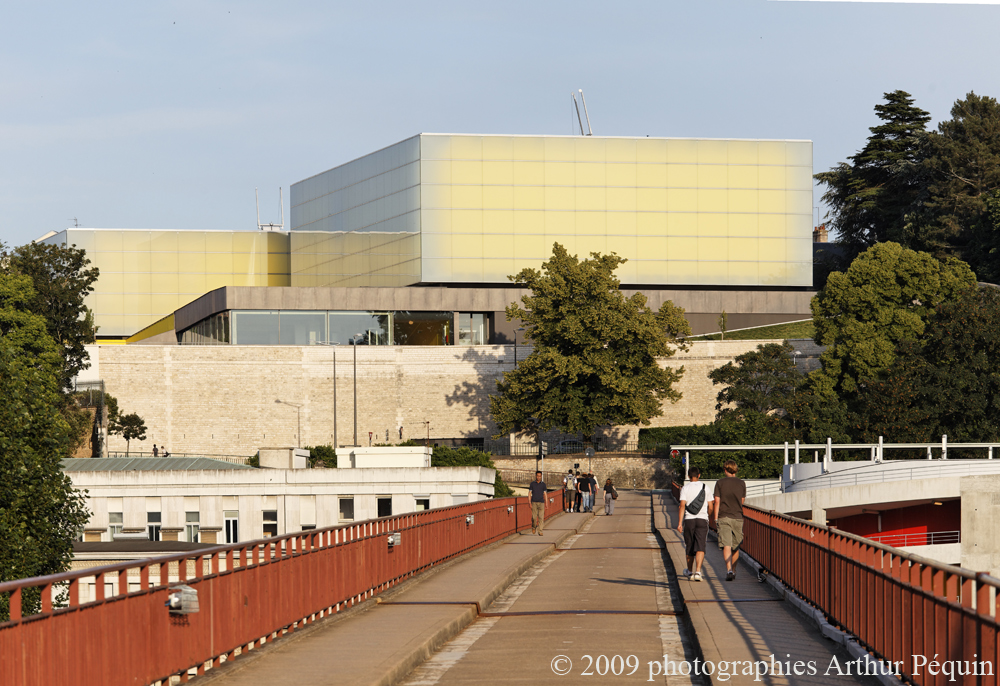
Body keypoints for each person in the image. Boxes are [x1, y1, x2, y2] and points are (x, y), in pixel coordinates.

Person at [713, 459, 747, 581]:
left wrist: (715, 518)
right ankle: (734, 569)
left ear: (725, 469)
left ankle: (729, 570)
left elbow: (717, 501)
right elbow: (742, 501)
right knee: (735, 546)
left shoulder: (720, 483)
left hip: (723, 516)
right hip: (737, 517)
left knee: (726, 544)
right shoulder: (742, 483)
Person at [677, 466, 712, 581]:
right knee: (700, 546)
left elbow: (682, 506)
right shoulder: (706, 488)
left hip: (689, 520)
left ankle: (689, 571)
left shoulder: (685, 488)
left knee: (690, 546)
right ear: (699, 475)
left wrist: (679, 523)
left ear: (688, 476)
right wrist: (707, 515)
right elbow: (711, 506)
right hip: (702, 520)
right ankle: (698, 572)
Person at [528, 471, 547, 535]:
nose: (538, 477)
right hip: (534, 502)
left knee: (541, 517)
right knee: (534, 517)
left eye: (540, 476)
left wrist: (546, 503)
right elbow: (529, 493)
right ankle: (533, 527)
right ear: (535, 476)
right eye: (537, 476)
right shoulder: (532, 484)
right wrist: (529, 502)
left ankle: (540, 531)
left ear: (541, 476)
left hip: (541, 502)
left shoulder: (543, 484)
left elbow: (545, 494)